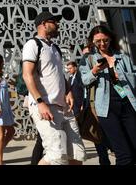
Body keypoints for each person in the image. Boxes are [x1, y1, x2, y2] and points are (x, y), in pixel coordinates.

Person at [22, 11, 86, 165]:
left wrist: (68, 91)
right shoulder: (33, 44)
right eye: (54, 21)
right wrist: (40, 102)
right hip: (46, 107)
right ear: (43, 24)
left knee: (77, 156)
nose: (58, 24)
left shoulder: (55, 48)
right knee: (56, 156)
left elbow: (58, 74)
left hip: (63, 107)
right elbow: (27, 75)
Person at [79, 25, 136, 165]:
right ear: (92, 41)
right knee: (123, 154)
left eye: (105, 40)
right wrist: (94, 71)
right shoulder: (88, 59)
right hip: (106, 109)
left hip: (127, 103)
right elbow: (83, 81)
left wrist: (120, 76)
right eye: (98, 41)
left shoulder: (122, 57)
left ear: (110, 39)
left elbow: (134, 79)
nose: (102, 44)